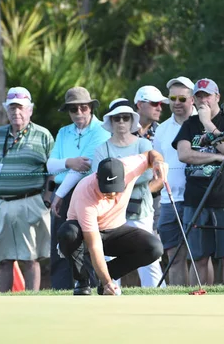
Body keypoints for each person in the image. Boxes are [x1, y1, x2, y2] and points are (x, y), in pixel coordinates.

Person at [57, 151, 167, 295]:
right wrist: (108, 283)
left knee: (154, 248)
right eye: (107, 190)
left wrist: (158, 162)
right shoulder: (86, 191)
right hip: (83, 236)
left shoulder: (130, 167)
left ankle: (98, 276)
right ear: (97, 178)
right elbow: (94, 245)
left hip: (115, 229)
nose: (113, 194)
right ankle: (82, 281)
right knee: (69, 233)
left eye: (116, 189)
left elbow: (151, 154)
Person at [173, 78, 224, 285]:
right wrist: (215, 157)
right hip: (196, 198)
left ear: (217, 97)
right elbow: (184, 155)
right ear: (194, 100)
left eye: (207, 95)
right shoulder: (189, 125)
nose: (203, 99)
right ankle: (201, 299)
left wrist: (207, 123)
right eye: (199, 96)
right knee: (198, 256)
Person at [0, 87, 54, 292]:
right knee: (4, 259)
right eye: (12, 108)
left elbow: (53, 171)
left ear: (30, 110)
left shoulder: (43, 135)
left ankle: (32, 300)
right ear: (7, 111)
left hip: (30, 201)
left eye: (21, 108)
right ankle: (3, 302)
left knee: (30, 258)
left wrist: (47, 199)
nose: (17, 113)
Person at [92, 98, 165, 288]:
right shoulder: (102, 148)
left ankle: (156, 293)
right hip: (109, 212)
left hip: (140, 208)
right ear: (111, 122)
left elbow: (147, 175)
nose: (122, 122)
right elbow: (97, 178)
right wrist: (131, 176)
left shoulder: (143, 145)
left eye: (125, 118)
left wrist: (115, 180)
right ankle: (110, 290)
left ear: (132, 120)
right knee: (107, 254)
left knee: (149, 255)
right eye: (117, 118)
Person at [46, 87, 111, 290]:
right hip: (64, 194)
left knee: (87, 242)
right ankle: (61, 289)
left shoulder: (102, 130)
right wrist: (69, 162)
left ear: (91, 108)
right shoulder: (64, 132)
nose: (79, 113)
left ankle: (89, 285)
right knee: (60, 244)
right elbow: (50, 164)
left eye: (84, 107)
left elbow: (83, 168)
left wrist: (58, 194)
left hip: (87, 192)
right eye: (74, 109)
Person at [153, 76, 195, 285]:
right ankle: (178, 297)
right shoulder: (161, 130)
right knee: (174, 257)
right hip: (169, 200)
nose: (177, 102)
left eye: (182, 98)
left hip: (196, 198)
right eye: (172, 98)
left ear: (192, 99)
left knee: (199, 255)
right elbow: (157, 165)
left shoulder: (204, 123)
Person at [134, 85, 168, 233]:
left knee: (156, 245)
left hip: (157, 196)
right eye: (155, 104)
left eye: (160, 104)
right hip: (128, 196)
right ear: (140, 105)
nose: (159, 108)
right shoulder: (122, 129)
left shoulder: (162, 130)